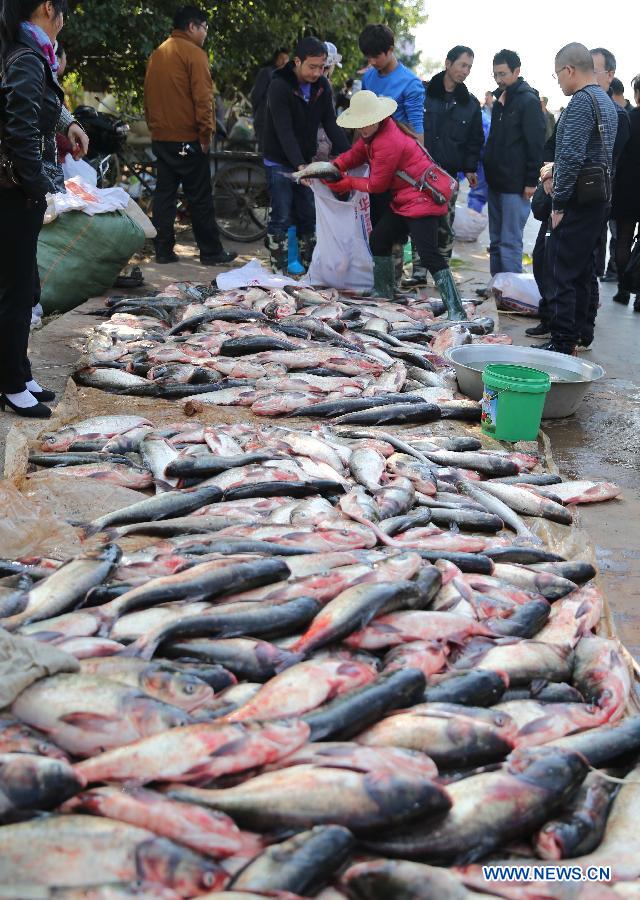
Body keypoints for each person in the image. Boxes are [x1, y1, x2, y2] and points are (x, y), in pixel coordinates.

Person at [0, 0, 88, 419]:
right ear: (47, 8)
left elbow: (39, 106)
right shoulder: (26, 58)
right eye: (63, 11)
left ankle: (19, 370)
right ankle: (12, 385)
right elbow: (19, 130)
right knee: (16, 292)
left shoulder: (26, 52)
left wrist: (67, 122)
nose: (64, 20)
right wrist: (35, 188)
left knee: (23, 287)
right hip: (14, 193)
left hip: (17, 191)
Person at [327, 90, 466, 319]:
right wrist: (335, 167)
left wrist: (347, 182)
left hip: (422, 200)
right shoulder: (374, 134)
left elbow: (377, 185)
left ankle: (456, 310)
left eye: (367, 123)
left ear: (378, 118)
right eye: (360, 124)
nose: (363, 129)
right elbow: (355, 155)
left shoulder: (388, 141)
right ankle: (384, 291)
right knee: (379, 238)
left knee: (429, 253)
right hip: (405, 199)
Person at [533, 42, 617, 356]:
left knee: (559, 270)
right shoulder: (605, 101)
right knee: (581, 271)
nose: (557, 81)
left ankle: (562, 340)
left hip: (577, 201)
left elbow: (569, 158)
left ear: (569, 70)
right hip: (598, 198)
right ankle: (578, 333)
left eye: (557, 75)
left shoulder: (581, 102)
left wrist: (557, 205)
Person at [144, 5, 236, 266]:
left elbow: (147, 99)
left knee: (164, 195)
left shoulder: (158, 53)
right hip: (188, 137)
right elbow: (203, 99)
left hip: (162, 137)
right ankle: (210, 252)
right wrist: (206, 134)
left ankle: (163, 250)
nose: (206, 33)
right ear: (193, 27)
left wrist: (155, 128)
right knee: (200, 196)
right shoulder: (194, 54)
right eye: (204, 27)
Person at [262, 36, 349, 273]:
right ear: (297, 61)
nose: (317, 72)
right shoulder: (279, 85)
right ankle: (279, 270)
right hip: (279, 160)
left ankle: (310, 267)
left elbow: (331, 124)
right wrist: (299, 165)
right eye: (312, 66)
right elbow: (284, 131)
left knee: (307, 215)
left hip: (306, 162)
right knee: (281, 215)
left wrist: (352, 155)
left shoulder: (323, 86)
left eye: (322, 67)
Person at [359, 23, 426, 284]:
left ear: (390, 50)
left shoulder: (410, 84)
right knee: (375, 227)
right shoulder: (368, 77)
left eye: (377, 55)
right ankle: (381, 283)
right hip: (373, 167)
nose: (372, 61)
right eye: (368, 56)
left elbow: (418, 135)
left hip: (400, 172)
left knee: (393, 231)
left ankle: (393, 287)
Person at [484, 49, 545, 276]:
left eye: (503, 74)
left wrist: (531, 180)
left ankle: (510, 292)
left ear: (516, 71)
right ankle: (497, 286)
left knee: (510, 240)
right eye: (495, 75)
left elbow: (536, 143)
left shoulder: (528, 101)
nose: (499, 80)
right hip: (496, 182)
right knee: (497, 240)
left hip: (516, 185)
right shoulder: (501, 100)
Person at [423, 45, 484, 259]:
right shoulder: (423, 93)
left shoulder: (471, 104)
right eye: (462, 65)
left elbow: (475, 140)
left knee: (445, 224)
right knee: (419, 222)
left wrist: (469, 168)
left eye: (469, 67)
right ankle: (419, 273)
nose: (466, 71)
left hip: (448, 175)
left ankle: (443, 272)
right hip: (418, 171)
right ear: (448, 63)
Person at [591, 47, 630, 285]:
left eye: (593, 71)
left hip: (602, 194)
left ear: (610, 74)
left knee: (611, 239)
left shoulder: (619, 116)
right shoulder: (580, 106)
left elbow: (611, 158)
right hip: (585, 198)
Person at [611, 74, 640, 309]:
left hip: (628, 189)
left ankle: (622, 289)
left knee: (623, 240)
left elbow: (617, 156)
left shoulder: (628, 119)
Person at [250, 47, 289, 152]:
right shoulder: (266, 72)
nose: (285, 61)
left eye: (287, 59)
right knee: (266, 154)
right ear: (276, 59)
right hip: (264, 121)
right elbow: (256, 95)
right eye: (282, 58)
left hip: (278, 123)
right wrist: (257, 113)